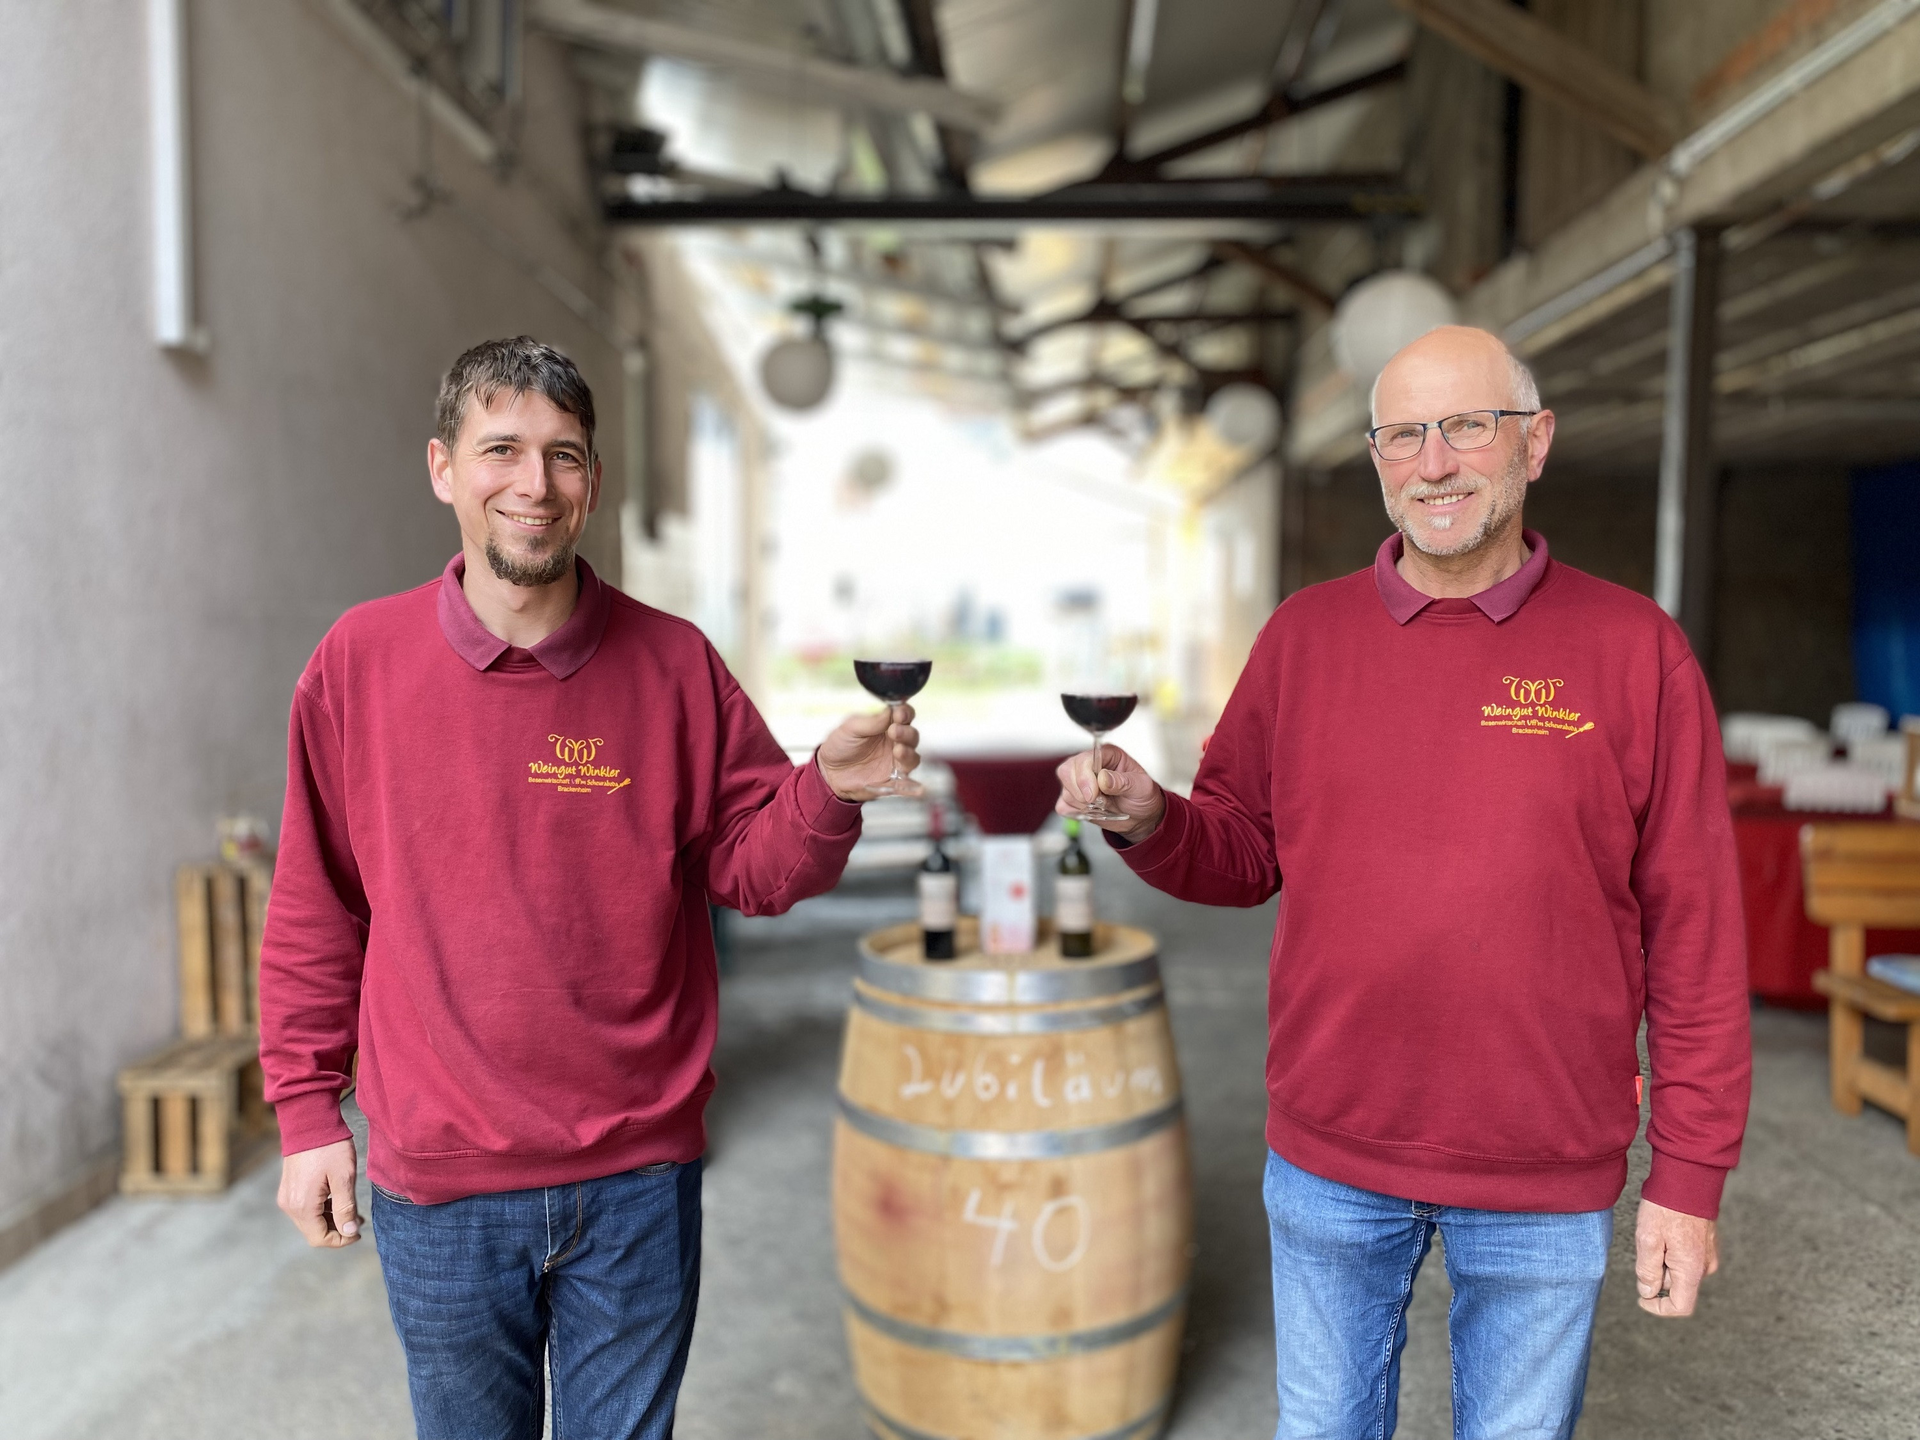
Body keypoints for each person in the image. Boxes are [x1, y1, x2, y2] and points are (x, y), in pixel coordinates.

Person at [1057, 326, 1750, 1440]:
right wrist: (1151, 819)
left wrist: (1689, 1176)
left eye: (1468, 427)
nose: (1434, 463)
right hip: (1331, 1153)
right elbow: (1241, 852)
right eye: (1403, 435)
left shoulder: (1636, 650)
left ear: (1535, 443)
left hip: (1544, 1164)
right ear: (1376, 456)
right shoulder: (1303, 637)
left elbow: (1697, 936)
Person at [259, 336, 919, 1440]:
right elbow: (315, 906)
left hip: (636, 1178)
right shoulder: (357, 662)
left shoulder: (674, 665)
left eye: (563, 455)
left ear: (594, 482)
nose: (535, 483)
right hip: (444, 1181)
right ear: (442, 468)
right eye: (501, 450)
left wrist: (828, 791)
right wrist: (304, 1113)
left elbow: (753, 872)